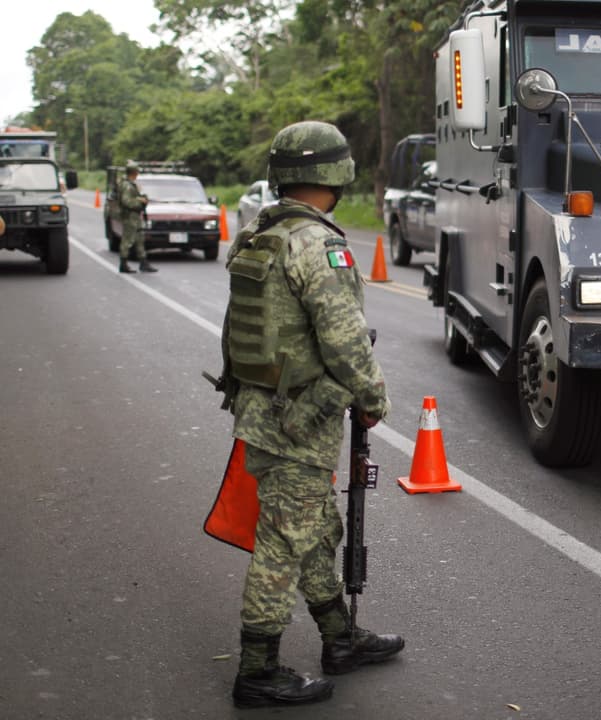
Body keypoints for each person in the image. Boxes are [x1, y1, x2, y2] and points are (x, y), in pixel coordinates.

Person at [218, 120, 403, 708]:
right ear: (335, 176)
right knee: (281, 541)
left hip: (261, 408)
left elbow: (242, 328)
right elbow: (345, 341)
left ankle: (340, 638)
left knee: (317, 527)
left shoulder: (259, 234)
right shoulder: (318, 245)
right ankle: (258, 670)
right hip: (300, 419)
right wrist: (373, 401)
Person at [118, 162, 157, 273]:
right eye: (137, 171)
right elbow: (126, 201)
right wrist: (140, 202)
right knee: (127, 240)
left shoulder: (131, 184)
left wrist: (142, 198)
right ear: (134, 172)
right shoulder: (127, 185)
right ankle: (123, 264)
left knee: (140, 239)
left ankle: (143, 263)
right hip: (130, 216)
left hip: (135, 217)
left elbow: (133, 198)